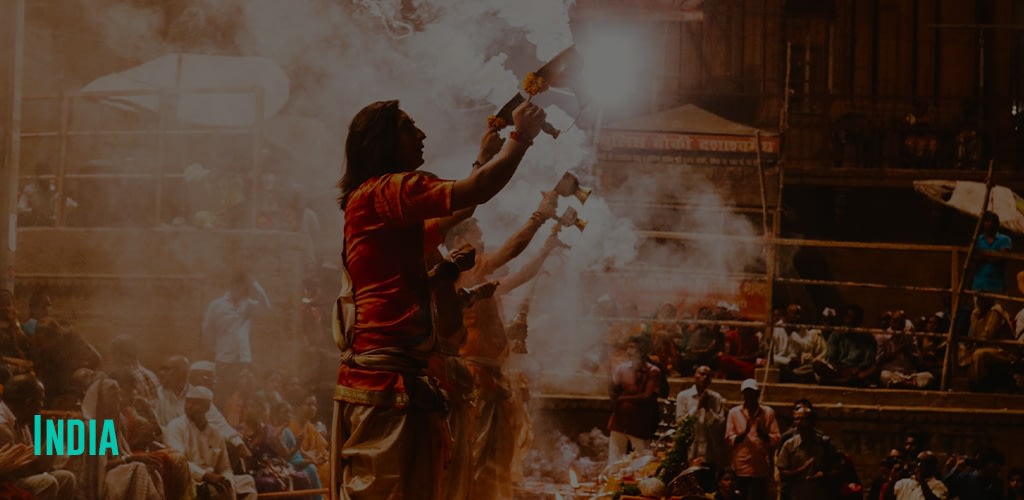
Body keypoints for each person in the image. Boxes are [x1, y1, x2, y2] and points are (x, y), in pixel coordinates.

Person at [331, 98, 546, 500]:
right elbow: (476, 192)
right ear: (383, 143)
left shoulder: (380, 205)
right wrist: (521, 138)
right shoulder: (387, 189)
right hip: (387, 383)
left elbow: (461, 205)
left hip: (397, 378)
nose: (422, 135)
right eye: (409, 128)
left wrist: (482, 158)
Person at [164, 386, 258, 500]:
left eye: (195, 403)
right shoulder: (175, 427)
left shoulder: (215, 433)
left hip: (214, 480)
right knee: (213, 490)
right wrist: (206, 476)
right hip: (190, 481)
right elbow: (179, 463)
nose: (189, 406)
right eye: (187, 402)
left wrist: (227, 482)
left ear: (207, 407)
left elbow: (225, 467)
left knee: (247, 482)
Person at [0, 375, 76, 499]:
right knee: (47, 482)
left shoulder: (20, 421)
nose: (41, 408)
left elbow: (36, 466)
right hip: (7, 484)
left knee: (66, 478)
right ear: (29, 403)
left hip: (18, 478)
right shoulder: (2, 426)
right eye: (40, 402)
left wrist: (56, 433)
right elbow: (14, 475)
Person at [202, 272, 270, 403]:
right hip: (224, 359)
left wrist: (255, 285)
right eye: (238, 286)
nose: (240, 290)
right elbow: (207, 329)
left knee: (244, 396)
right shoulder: (217, 305)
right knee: (223, 395)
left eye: (244, 287)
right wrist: (212, 350)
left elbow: (266, 307)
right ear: (231, 286)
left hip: (243, 359)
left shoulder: (248, 305)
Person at [607, 335, 662, 463]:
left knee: (642, 458)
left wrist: (622, 399)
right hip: (620, 419)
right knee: (615, 458)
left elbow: (646, 396)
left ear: (643, 350)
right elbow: (613, 388)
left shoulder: (653, 371)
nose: (630, 351)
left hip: (640, 420)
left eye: (633, 347)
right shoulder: (622, 368)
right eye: (629, 347)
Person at [725, 378, 781, 500]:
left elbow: (776, 438)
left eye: (752, 393)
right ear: (743, 394)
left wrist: (762, 434)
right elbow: (729, 439)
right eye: (747, 393)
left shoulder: (768, 412)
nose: (749, 396)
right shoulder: (734, 413)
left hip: (761, 467)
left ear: (758, 393)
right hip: (741, 466)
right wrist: (744, 433)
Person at [777, 399, 841, 500]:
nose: (799, 423)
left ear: (812, 421)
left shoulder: (824, 443)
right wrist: (801, 469)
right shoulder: (789, 444)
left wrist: (824, 475)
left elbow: (838, 470)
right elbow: (782, 474)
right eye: (796, 419)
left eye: (803, 419)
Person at [674, 365, 727, 469]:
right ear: (694, 376)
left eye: (708, 375)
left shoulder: (716, 398)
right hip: (689, 449)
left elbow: (720, 425)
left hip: (709, 451)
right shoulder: (683, 396)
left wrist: (708, 410)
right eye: (701, 374)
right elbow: (680, 422)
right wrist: (697, 407)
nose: (705, 377)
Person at [971, 211, 1012, 293]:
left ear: (997, 224)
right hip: (979, 284)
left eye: (993, 221)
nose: (990, 224)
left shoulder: (1005, 239)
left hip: (997, 285)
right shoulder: (977, 240)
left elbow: (1000, 257)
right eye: (987, 221)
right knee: (978, 306)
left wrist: (982, 256)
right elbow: (973, 258)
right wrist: (992, 256)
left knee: (997, 306)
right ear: (983, 223)